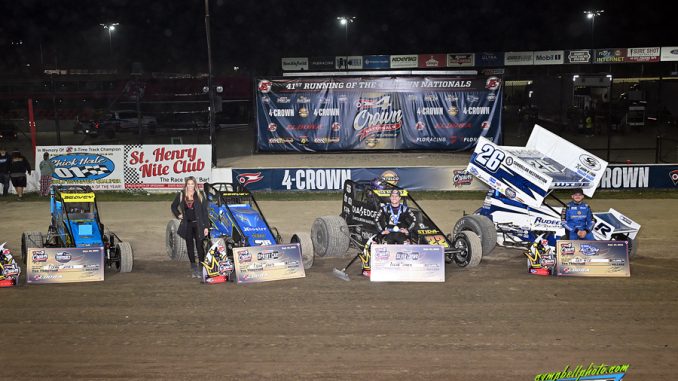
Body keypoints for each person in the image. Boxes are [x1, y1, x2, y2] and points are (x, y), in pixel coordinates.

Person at [171, 176, 210, 278]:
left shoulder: (200, 195)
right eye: (188, 184)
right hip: (187, 224)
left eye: (192, 184)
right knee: (190, 246)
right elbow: (173, 206)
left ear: (195, 184)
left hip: (198, 225)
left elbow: (205, 212)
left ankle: (202, 267)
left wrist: (206, 227)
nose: (190, 186)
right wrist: (178, 215)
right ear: (186, 184)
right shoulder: (181, 194)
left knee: (199, 246)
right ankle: (194, 268)